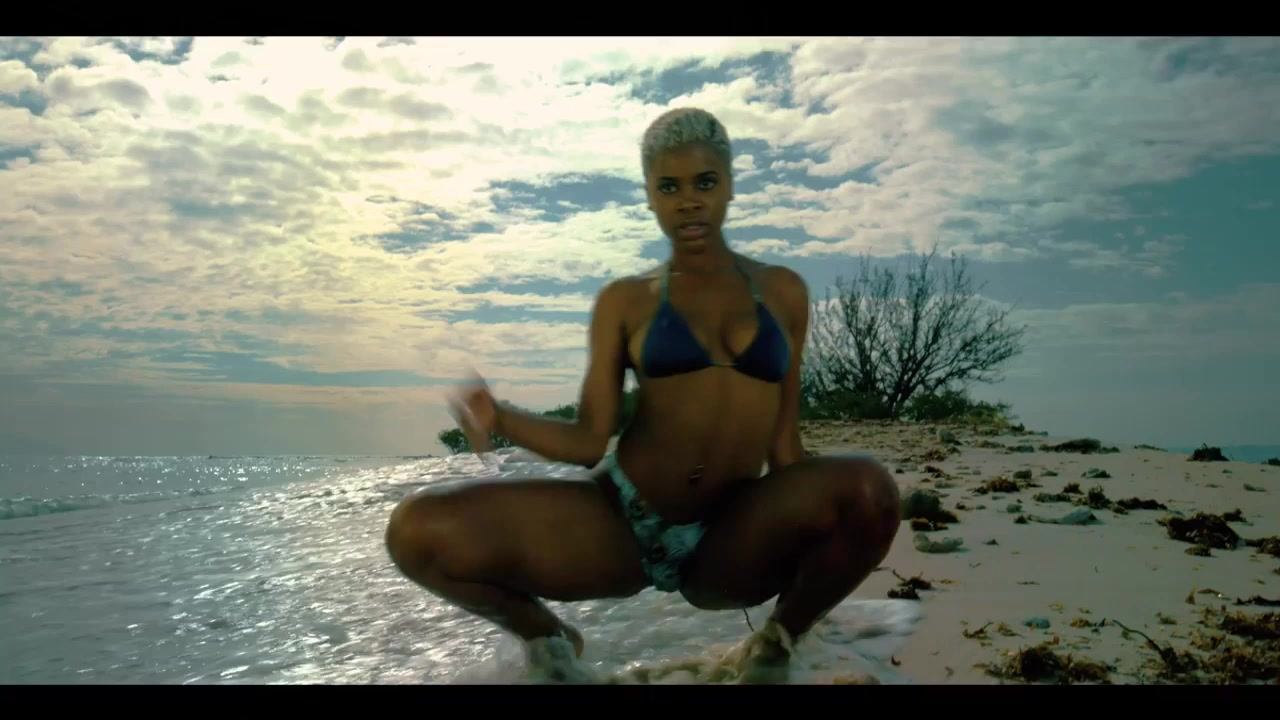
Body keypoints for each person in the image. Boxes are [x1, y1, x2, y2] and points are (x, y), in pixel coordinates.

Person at [384, 107, 902, 684]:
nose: (688, 202)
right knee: (415, 531)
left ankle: (774, 650)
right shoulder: (626, 301)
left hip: (730, 537)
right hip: (618, 523)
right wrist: (499, 416)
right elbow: (589, 439)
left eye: (705, 182)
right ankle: (548, 641)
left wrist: (825, 533)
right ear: (650, 196)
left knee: (870, 491)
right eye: (669, 187)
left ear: (729, 185)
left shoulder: (783, 291)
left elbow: (785, 447)